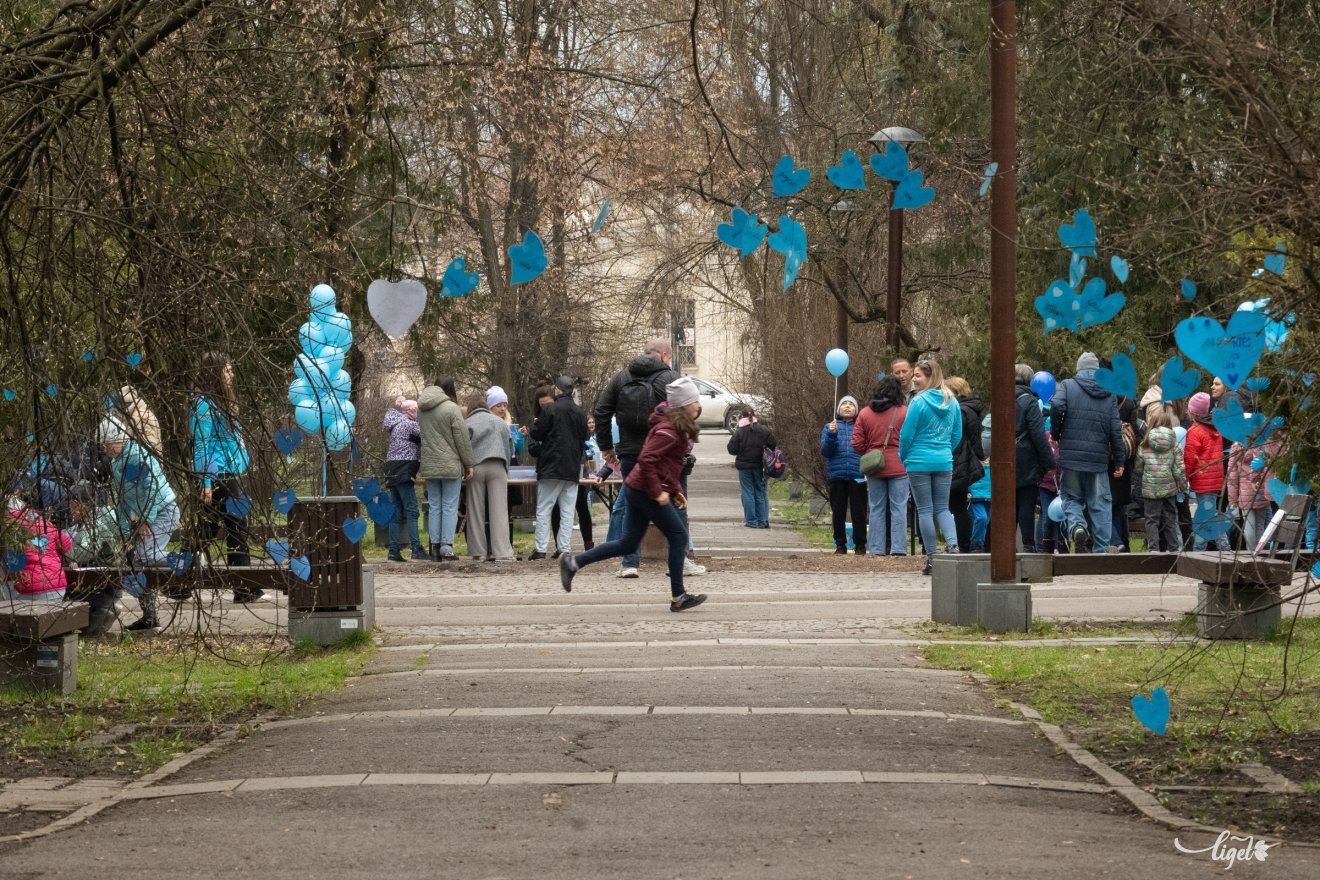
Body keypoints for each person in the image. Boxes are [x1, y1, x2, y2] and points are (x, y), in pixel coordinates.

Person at [559, 378, 708, 611]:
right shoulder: (668, 430)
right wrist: (659, 493)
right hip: (646, 490)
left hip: (639, 488)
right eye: (694, 400)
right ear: (683, 404)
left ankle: (573, 563)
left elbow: (666, 464)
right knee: (678, 536)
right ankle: (678, 596)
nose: (698, 404)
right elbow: (647, 461)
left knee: (627, 543)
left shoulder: (672, 425)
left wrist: (675, 490)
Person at [592, 338, 681, 578]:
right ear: (664, 355)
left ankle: (630, 564)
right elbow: (685, 412)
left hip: (630, 452)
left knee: (633, 505)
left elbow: (601, 411)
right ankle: (677, 563)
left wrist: (606, 447)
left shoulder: (621, 377)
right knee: (674, 500)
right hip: (662, 452)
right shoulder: (670, 378)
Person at [100, 416, 180, 631]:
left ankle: (187, 561)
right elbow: (123, 501)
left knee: (146, 556)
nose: (104, 447)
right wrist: (126, 533)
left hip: (163, 510)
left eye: (108, 442)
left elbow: (152, 488)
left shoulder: (137, 455)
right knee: (137, 563)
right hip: (145, 515)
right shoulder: (116, 464)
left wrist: (146, 519)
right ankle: (149, 616)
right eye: (102, 444)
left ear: (119, 440)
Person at [190, 353, 253, 601]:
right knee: (236, 527)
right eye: (227, 370)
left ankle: (179, 578)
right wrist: (205, 483)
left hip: (230, 471)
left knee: (207, 529)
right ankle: (243, 586)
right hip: (218, 474)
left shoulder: (223, 402)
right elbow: (201, 445)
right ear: (214, 373)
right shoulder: (204, 404)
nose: (232, 375)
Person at [1050, 352, 1126, 553]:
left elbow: (1057, 404)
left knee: (1071, 497)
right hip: (1098, 459)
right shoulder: (1109, 392)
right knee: (1100, 504)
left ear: (1079, 368)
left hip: (1072, 457)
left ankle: (1077, 526)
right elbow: (1115, 429)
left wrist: (1056, 433)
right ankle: (1100, 550)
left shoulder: (1067, 385)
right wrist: (1119, 459)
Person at [898, 358, 962, 575]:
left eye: (918, 375)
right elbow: (957, 434)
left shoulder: (918, 402)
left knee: (925, 510)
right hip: (943, 460)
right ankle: (953, 546)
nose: (913, 379)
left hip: (918, 460)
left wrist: (904, 456)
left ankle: (933, 558)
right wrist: (944, 450)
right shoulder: (951, 400)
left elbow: (907, 434)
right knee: (943, 508)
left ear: (930, 377)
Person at [530, 376, 590, 560]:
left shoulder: (550, 409)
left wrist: (535, 424)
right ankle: (564, 548)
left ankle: (540, 549)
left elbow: (537, 432)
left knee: (544, 508)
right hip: (572, 466)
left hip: (551, 465)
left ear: (557, 390)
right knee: (567, 510)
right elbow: (585, 436)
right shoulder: (580, 412)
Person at [418, 375, 474, 562]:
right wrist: (468, 464)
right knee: (450, 505)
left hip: (430, 464)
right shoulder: (452, 408)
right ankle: (446, 547)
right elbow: (462, 439)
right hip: (450, 464)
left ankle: (434, 547)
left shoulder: (422, 409)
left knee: (435, 506)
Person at [852, 376, 908, 556]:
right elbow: (910, 439)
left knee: (876, 507)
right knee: (899, 507)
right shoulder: (904, 412)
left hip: (875, 467)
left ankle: (876, 548)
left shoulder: (865, 413)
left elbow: (856, 442)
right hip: (899, 465)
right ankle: (898, 548)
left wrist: (869, 453)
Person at [465, 387, 516, 562]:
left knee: (475, 510)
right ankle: (502, 552)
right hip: (497, 466)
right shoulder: (499, 422)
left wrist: (466, 467)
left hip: (475, 467)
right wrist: (506, 468)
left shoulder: (468, 423)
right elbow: (510, 447)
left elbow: (464, 448)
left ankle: (478, 552)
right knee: (499, 510)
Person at [1013, 364, 1055, 553]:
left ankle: (1005, 545)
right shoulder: (1029, 402)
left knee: (1008, 503)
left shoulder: (1000, 398)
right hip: (1025, 458)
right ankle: (1028, 546)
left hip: (1004, 457)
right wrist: (1049, 463)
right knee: (1026, 503)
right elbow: (1038, 435)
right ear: (1030, 381)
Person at [820, 395, 867, 555]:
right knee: (838, 511)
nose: (847, 406)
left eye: (851, 404)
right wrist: (832, 435)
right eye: (844, 404)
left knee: (859, 511)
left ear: (857, 410)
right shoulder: (830, 427)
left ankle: (860, 544)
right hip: (837, 475)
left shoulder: (861, 427)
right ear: (838, 409)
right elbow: (826, 451)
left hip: (857, 474)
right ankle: (840, 544)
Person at [1184, 392, 1230, 552]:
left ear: (1193, 412)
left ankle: (1204, 549)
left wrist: (1185, 476)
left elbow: (1190, 457)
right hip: (1215, 479)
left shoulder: (1194, 431)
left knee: (1208, 516)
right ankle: (1217, 547)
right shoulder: (1215, 428)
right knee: (1211, 513)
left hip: (1203, 480)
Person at [1135, 411, 1185, 552]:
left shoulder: (1144, 444)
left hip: (1150, 489)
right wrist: (1181, 485)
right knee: (1170, 519)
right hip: (1169, 488)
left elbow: (1138, 468)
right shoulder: (1174, 445)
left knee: (1152, 520)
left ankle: (1154, 549)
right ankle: (1174, 548)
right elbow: (1178, 469)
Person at [3, 495, 69, 603]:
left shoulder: (6, 525)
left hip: (28, 589)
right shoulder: (40, 520)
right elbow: (66, 544)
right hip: (57, 585)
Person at [382, 397, 425, 562]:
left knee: (396, 511)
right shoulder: (408, 424)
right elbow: (426, 433)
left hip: (392, 468)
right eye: (417, 410)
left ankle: (393, 551)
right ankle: (416, 549)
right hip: (404, 468)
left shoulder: (395, 424)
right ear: (411, 411)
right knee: (412, 509)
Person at [945, 377, 985, 553]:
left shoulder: (959, 411)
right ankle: (963, 544)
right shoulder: (972, 409)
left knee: (955, 507)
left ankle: (961, 544)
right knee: (959, 506)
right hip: (966, 460)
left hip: (956, 460)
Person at [1225, 436, 1278, 551]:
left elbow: (1232, 478)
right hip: (1261, 490)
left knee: (1249, 525)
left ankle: (1250, 552)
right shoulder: (1263, 445)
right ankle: (1260, 553)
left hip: (1244, 494)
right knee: (1260, 525)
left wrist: (1233, 499)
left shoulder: (1236, 448)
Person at [727, 410, 775, 529]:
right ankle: (762, 521)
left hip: (744, 467)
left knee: (748, 492)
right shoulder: (765, 430)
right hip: (761, 466)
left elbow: (731, 449)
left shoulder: (739, 432)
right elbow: (773, 445)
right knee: (760, 492)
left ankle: (751, 521)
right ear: (754, 416)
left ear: (742, 417)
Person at [1109, 396, 1141, 552]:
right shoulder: (1129, 400)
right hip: (1124, 457)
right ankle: (1124, 542)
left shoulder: (1104, 397)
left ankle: (1116, 541)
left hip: (1108, 457)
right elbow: (1134, 427)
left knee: (1107, 503)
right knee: (1120, 505)